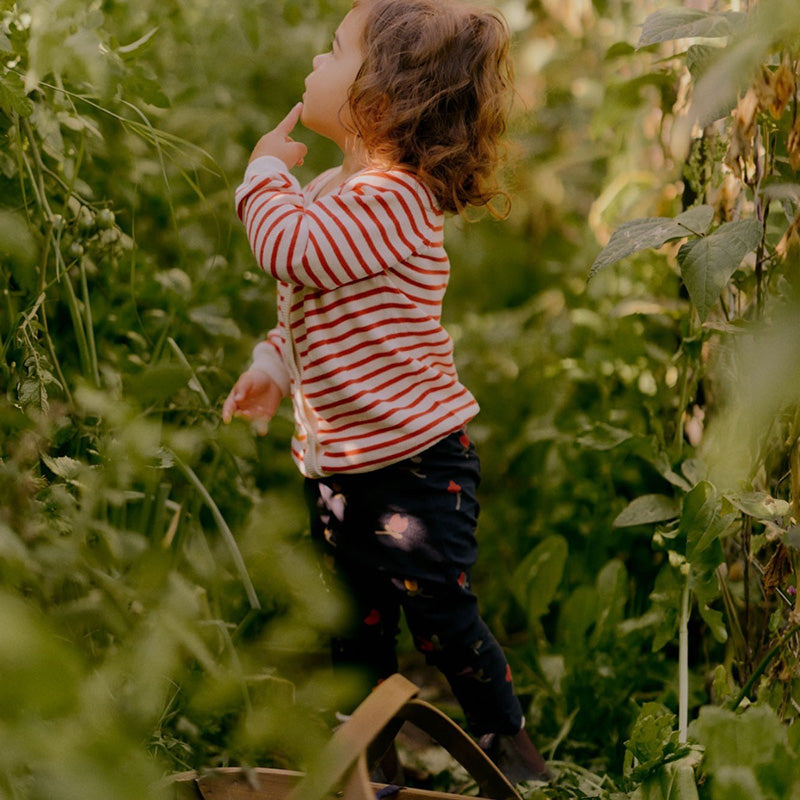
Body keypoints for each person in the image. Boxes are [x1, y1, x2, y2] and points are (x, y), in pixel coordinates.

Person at [222, 0, 551, 784]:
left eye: (335, 50)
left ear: (384, 97)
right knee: (353, 628)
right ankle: (374, 764)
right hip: (341, 470)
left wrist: (262, 174)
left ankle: (512, 753)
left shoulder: (395, 201)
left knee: (440, 616)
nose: (316, 61)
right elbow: (311, 312)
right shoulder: (335, 190)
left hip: (416, 464)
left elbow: (292, 253)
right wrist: (273, 366)